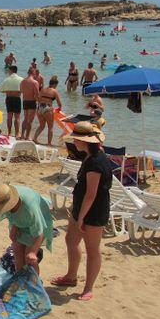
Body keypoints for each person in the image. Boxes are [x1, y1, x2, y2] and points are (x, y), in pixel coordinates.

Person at [51, 122, 112, 301]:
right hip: (82, 207)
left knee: (92, 249)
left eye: (76, 139)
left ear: (84, 141)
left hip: (93, 211)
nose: (74, 142)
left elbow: (91, 195)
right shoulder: (89, 156)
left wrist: (81, 218)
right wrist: (75, 211)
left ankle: (88, 288)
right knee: (71, 240)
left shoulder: (95, 162)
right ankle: (71, 276)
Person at [0, 183, 52, 274]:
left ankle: (34, 284)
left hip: (39, 222)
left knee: (29, 258)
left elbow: (39, 232)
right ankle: (20, 280)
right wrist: (14, 227)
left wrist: (33, 252)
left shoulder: (30, 209)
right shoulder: (4, 196)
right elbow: (13, 216)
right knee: (17, 252)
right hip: (22, 223)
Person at [34, 76, 63, 145]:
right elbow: (59, 103)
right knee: (50, 127)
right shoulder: (54, 91)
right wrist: (59, 109)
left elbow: (37, 98)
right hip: (47, 108)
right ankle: (49, 143)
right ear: (54, 84)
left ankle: (34, 138)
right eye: (56, 85)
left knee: (41, 126)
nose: (56, 87)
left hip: (39, 108)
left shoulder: (43, 89)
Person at [0, 66, 23, 137]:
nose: (8, 72)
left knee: (9, 116)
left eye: (9, 70)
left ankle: (9, 132)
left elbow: (2, 90)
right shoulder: (21, 79)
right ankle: (17, 133)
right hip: (17, 98)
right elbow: (23, 90)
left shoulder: (7, 79)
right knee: (17, 117)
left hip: (9, 98)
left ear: (11, 70)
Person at [19, 71, 39, 140]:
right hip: (32, 101)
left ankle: (22, 135)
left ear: (27, 73)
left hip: (25, 101)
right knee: (30, 121)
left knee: (25, 119)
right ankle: (27, 136)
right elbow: (36, 94)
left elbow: (21, 91)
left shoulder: (22, 81)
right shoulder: (35, 82)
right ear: (34, 74)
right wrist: (39, 101)